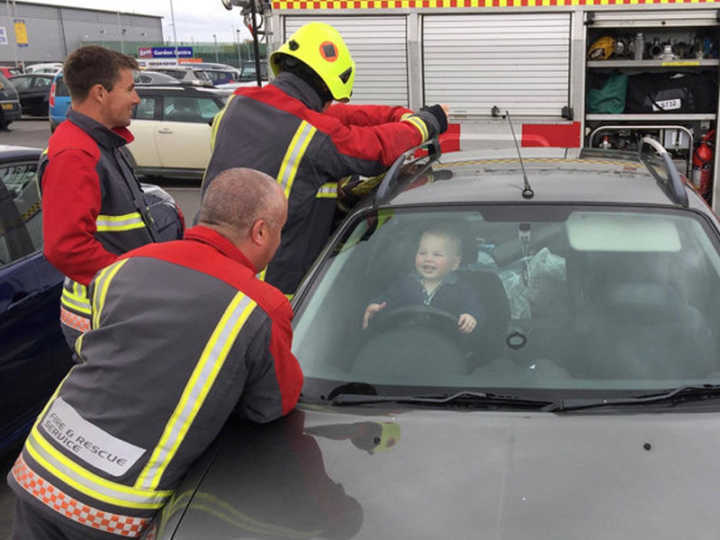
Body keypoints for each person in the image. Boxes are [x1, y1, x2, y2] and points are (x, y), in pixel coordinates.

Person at [7, 168, 304, 540]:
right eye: (280, 230)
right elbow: (270, 405)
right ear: (260, 231)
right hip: (108, 508)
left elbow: (102, 348)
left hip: (39, 467)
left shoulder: (126, 265)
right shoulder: (259, 306)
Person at [203, 21, 449, 296]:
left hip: (211, 273)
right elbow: (376, 149)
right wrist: (427, 123)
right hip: (269, 288)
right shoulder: (312, 135)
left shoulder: (236, 107)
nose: (332, 106)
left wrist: (397, 115)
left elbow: (333, 118)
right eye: (331, 99)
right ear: (326, 88)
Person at [41, 46, 169, 349]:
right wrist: (135, 281)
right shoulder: (75, 154)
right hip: (103, 317)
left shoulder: (100, 143)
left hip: (115, 308)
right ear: (100, 92)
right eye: (130, 89)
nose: (136, 99)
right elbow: (66, 248)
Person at [362, 226, 485, 333]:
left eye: (437, 254)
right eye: (422, 253)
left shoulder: (463, 290)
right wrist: (375, 305)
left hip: (446, 347)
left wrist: (471, 317)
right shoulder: (403, 284)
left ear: (454, 263)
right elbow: (387, 300)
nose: (428, 259)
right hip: (406, 341)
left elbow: (474, 308)